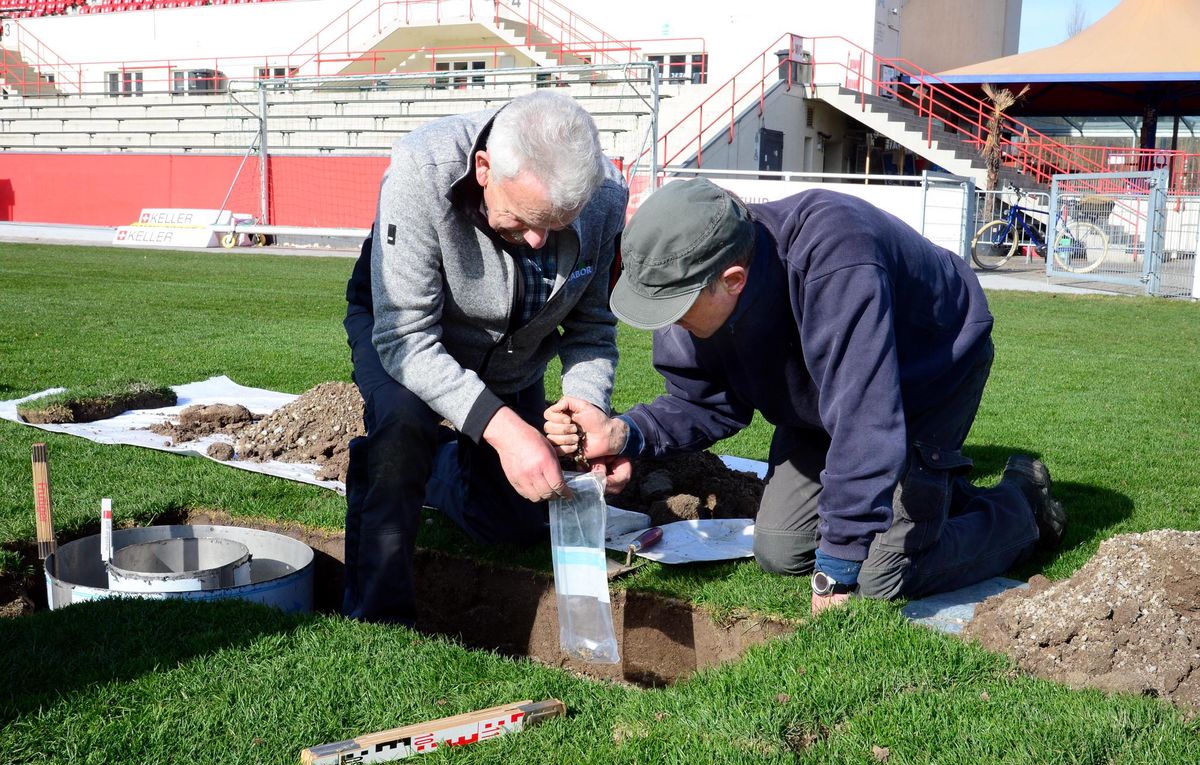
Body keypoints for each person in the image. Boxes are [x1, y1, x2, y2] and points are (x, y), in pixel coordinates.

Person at [545, 178, 1066, 615]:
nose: (670, 325)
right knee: (782, 548)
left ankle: (1022, 507)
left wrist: (836, 574)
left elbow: (865, 424)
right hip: (821, 399)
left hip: (928, 371)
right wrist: (624, 433)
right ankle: (932, 498)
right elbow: (703, 400)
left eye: (677, 310)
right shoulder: (689, 280)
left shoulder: (836, 257)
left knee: (879, 576)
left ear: (732, 280)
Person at [343, 90, 628, 624]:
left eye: (557, 225)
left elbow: (591, 327)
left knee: (512, 522)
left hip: (515, 349)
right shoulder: (420, 169)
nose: (540, 240)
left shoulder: (606, 194)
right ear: (483, 168)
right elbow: (404, 335)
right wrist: (503, 429)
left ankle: (438, 467)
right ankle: (379, 613)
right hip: (410, 330)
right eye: (522, 220)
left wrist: (587, 403)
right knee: (402, 430)